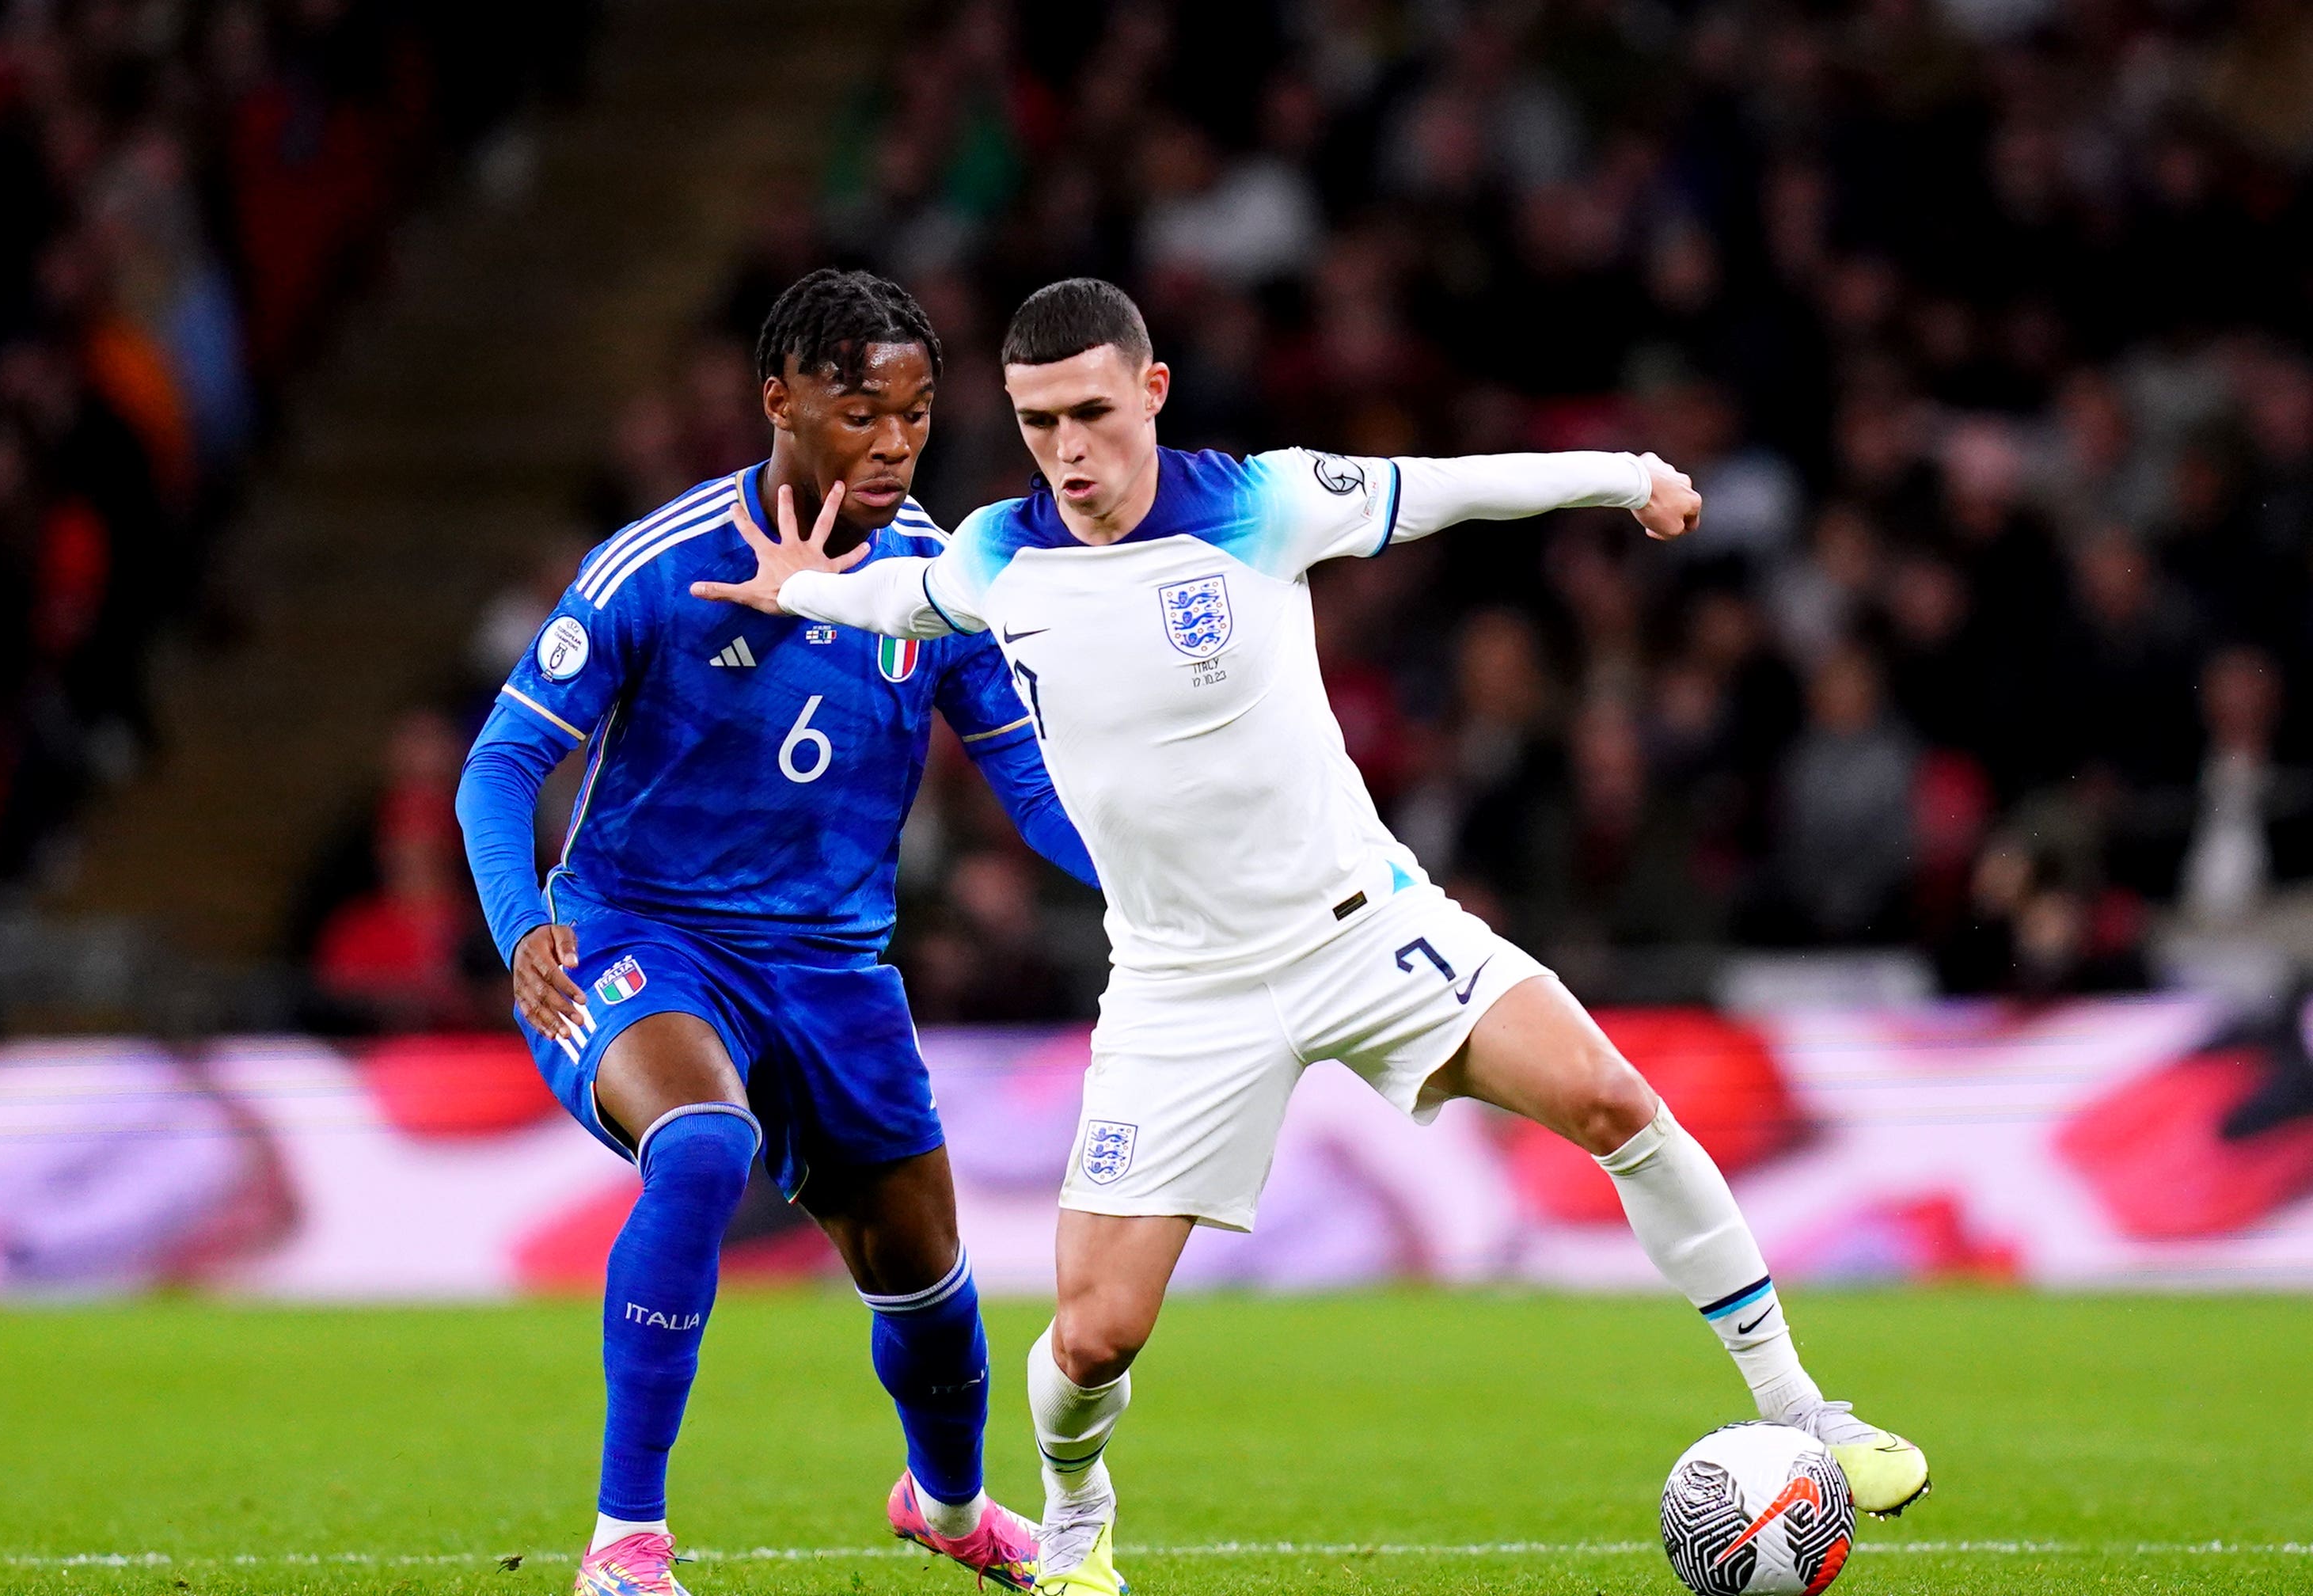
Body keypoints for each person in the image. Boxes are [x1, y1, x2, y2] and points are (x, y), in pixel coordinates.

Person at [700, 277, 1931, 1594]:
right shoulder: (1000, 555)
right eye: (1040, 421)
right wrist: (793, 595)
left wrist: (1627, 476)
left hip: (1360, 924)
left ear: (1153, 393)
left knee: (1613, 1098)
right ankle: (1076, 1518)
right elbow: (904, 604)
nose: (1069, 451)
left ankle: (1807, 1414)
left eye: (1094, 415)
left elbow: (1452, 485)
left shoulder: (1260, 501)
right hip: (1179, 991)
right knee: (1092, 1339)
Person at [457, 269, 1096, 1596]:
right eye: (862, 410)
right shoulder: (660, 563)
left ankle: (952, 1506)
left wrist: (1156, 881)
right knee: (701, 1149)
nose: (893, 442)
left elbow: (1029, 784)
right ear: (779, 402)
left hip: (833, 973)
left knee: (925, 1275)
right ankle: (624, 1543)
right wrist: (523, 925)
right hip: (644, 939)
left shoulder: (938, 584)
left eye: (917, 416)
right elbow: (500, 767)